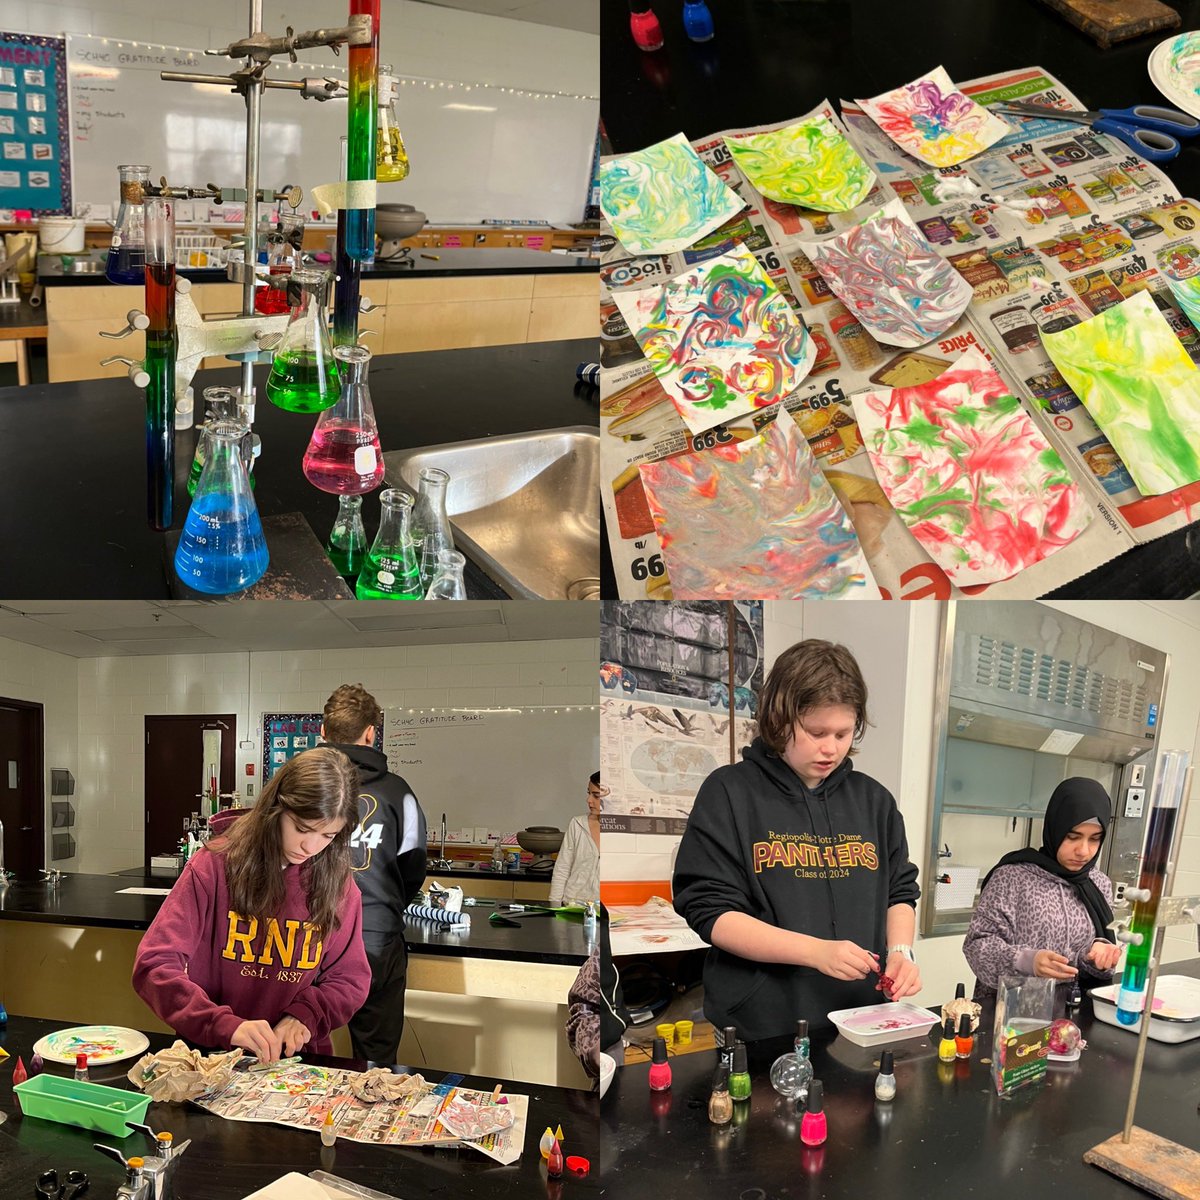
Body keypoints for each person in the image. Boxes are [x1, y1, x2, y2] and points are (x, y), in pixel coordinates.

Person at [672, 639, 922, 1041]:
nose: (831, 748)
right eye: (816, 731)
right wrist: (815, 952)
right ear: (779, 719)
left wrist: (900, 952)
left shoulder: (874, 801)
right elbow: (710, 913)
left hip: (862, 1019)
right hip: (759, 1024)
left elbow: (899, 892)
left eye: (842, 733)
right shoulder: (730, 793)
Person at [133, 747, 370, 1063]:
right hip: (210, 1058)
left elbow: (349, 979)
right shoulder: (215, 864)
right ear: (276, 808)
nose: (310, 846)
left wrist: (306, 1015)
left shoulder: (338, 884)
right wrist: (220, 1024)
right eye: (301, 828)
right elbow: (154, 964)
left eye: (327, 835)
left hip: (295, 1064)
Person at [321, 683, 427, 1065]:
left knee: (293, 1048)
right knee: (377, 1060)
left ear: (323, 732)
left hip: (302, 938)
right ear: (371, 733)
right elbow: (413, 866)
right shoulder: (400, 793)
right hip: (375, 939)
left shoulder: (295, 785)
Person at [964, 777, 1121, 1002]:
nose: (1084, 851)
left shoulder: (1098, 884)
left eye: (1095, 839)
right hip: (1012, 1014)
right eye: (1073, 837)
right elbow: (977, 945)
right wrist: (1027, 962)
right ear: (1055, 828)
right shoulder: (1013, 878)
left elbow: (1086, 963)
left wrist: (1094, 956)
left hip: (1072, 1015)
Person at [549, 772, 603, 907]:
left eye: (596, 795)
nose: (589, 800)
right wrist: (554, 905)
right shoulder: (577, 824)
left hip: (607, 911)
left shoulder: (625, 830)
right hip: (573, 905)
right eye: (589, 793)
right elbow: (562, 868)